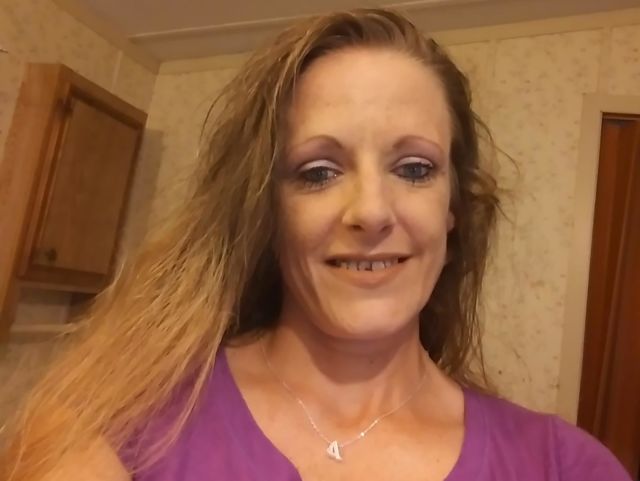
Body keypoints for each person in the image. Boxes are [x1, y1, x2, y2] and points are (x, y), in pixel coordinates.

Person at [1, 8, 631, 481]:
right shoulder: (118, 421)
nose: (371, 211)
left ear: (453, 211)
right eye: (318, 172)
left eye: (414, 168)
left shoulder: (562, 465)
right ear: (269, 211)